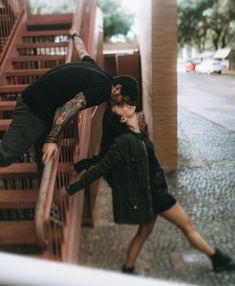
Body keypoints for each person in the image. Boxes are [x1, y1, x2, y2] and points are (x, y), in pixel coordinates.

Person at [63, 102, 235, 274]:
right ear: (122, 118)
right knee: (187, 226)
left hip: (154, 192)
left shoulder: (137, 134)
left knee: (143, 234)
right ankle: (217, 258)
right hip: (155, 195)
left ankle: (128, 269)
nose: (124, 104)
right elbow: (100, 168)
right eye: (119, 107)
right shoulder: (124, 142)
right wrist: (71, 188)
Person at [0, 29, 139, 175]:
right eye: (123, 99)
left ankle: (48, 197)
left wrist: (75, 35)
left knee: (45, 159)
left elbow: (82, 51)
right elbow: (71, 105)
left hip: (44, 109)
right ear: (117, 89)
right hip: (34, 109)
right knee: (6, 155)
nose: (120, 103)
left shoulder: (98, 71)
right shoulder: (103, 90)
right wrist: (52, 139)